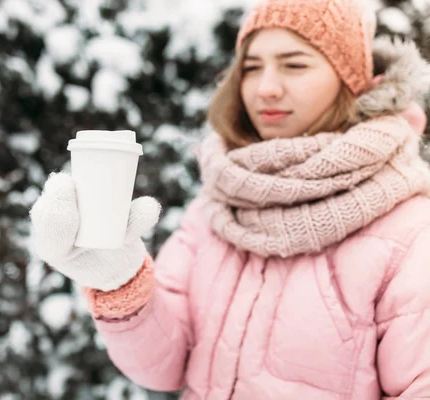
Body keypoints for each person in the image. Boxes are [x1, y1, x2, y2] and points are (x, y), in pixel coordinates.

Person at [30, 0, 430, 398]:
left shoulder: (410, 231)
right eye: (252, 67)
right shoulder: (219, 203)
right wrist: (121, 281)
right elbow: (165, 367)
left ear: (352, 82)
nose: (266, 88)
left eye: (295, 64)